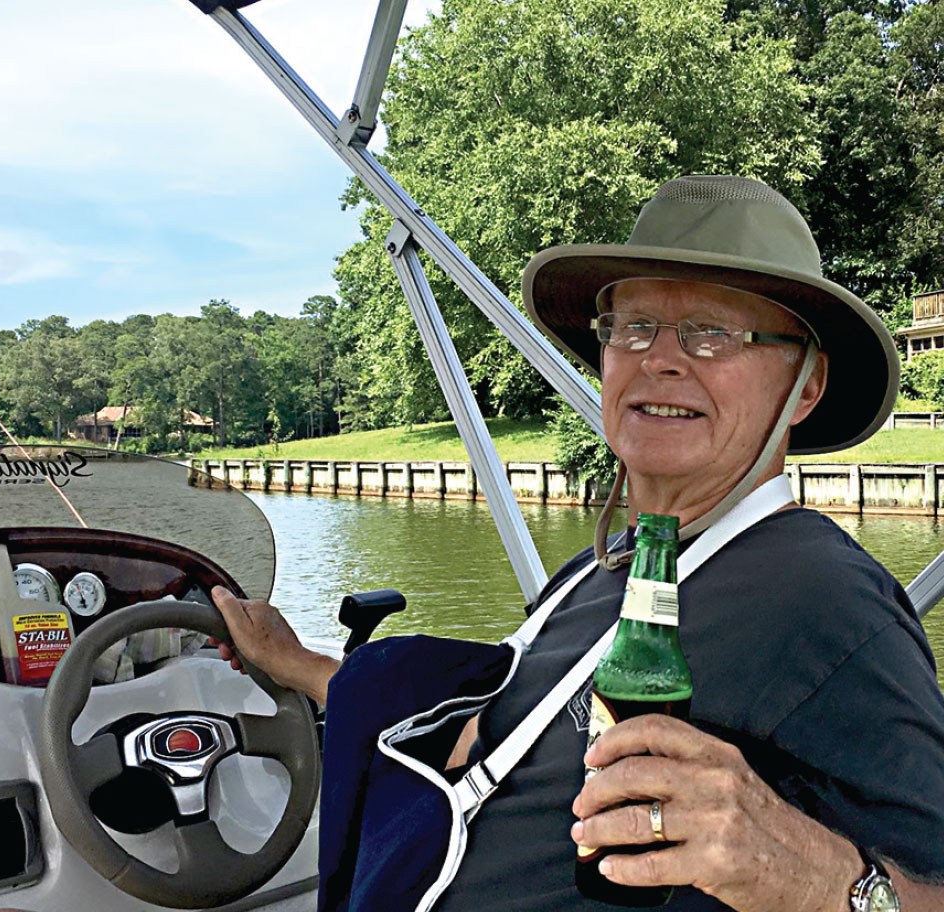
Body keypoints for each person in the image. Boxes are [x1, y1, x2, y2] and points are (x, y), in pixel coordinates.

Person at [210, 175, 944, 911]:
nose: (660, 359)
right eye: (634, 328)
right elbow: (494, 742)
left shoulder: (829, 600)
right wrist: (295, 662)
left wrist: (805, 874)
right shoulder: (607, 567)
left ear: (806, 387)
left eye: (712, 333)